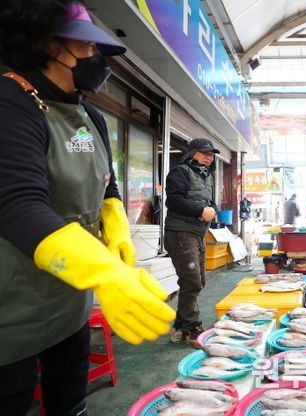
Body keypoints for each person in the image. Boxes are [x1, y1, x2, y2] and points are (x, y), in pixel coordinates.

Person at [0, 2, 175, 414]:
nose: (96, 57)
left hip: (70, 303)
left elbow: (108, 183)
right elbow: (17, 205)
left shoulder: (89, 115)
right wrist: (105, 273)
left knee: (69, 404)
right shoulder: (10, 103)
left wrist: (116, 226)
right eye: (88, 46)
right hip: (11, 307)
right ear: (49, 44)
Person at [164, 138, 220, 348]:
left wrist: (212, 209)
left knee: (198, 280)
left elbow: (206, 201)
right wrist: (200, 211)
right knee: (192, 281)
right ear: (192, 153)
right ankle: (191, 328)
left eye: (211, 154)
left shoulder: (206, 176)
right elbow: (173, 200)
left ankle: (180, 326)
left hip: (197, 233)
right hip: (181, 233)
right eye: (205, 153)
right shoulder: (180, 172)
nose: (209, 157)